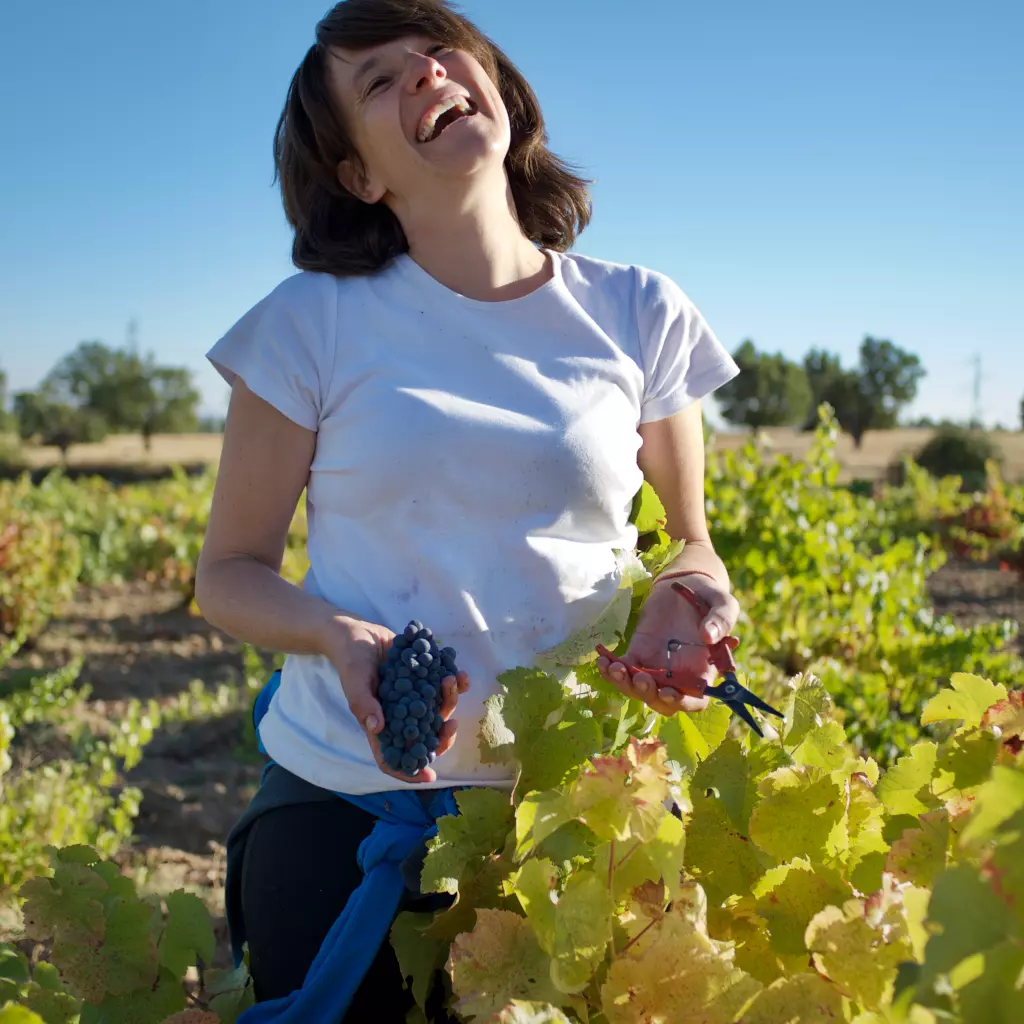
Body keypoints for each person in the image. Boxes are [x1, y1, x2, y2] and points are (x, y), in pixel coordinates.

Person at [194, 0, 742, 1019]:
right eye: (378, 80)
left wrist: (694, 599)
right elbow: (225, 574)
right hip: (349, 818)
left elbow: (689, 542)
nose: (425, 72)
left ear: (494, 81)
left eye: (439, 49)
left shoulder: (638, 311)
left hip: (574, 809)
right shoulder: (304, 326)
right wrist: (335, 630)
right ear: (359, 176)